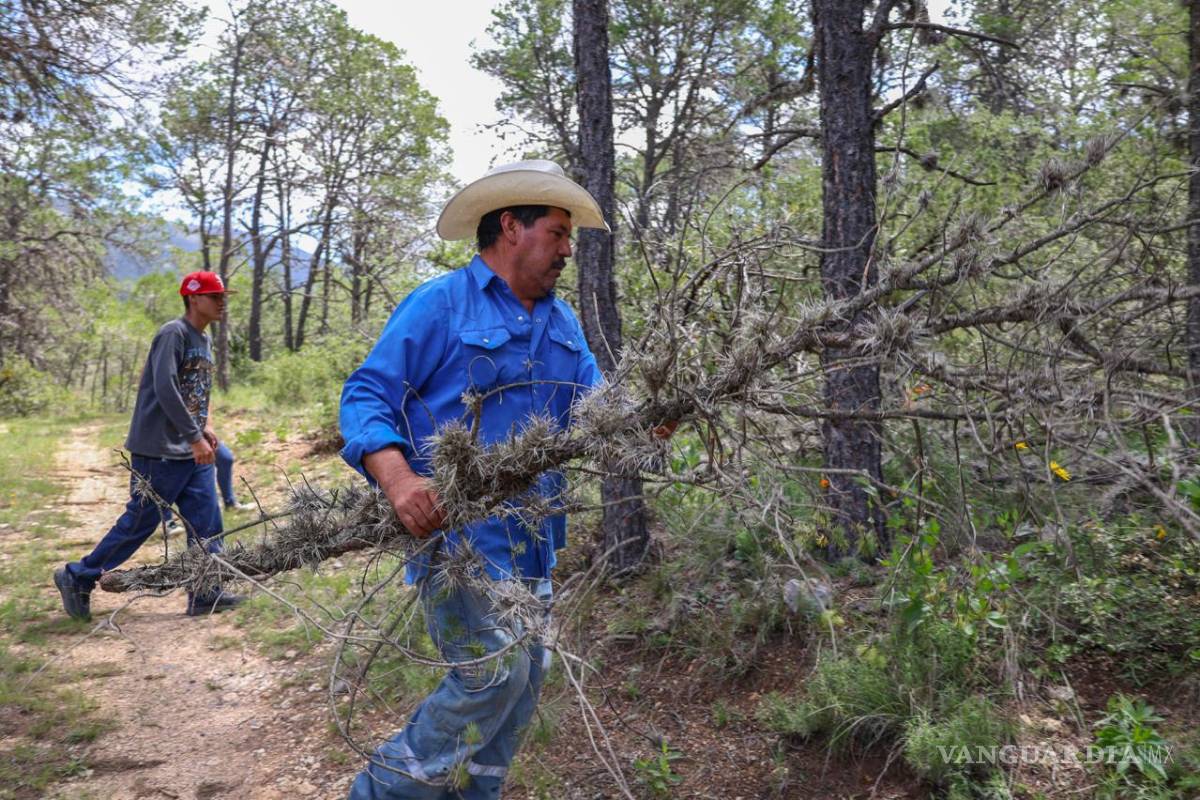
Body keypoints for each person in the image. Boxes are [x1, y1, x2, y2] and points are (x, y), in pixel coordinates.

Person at [339, 160, 609, 799]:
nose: (568, 250)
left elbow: (595, 404)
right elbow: (366, 394)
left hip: (534, 542)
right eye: (559, 233)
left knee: (521, 688)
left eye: (570, 237)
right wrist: (399, 478)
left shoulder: (561, 321)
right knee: (491, 676)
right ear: (511, 226)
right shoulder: (440, 304)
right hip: (459, 544)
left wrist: (645, 420)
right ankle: (378, 793)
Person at [53, 271, 245, 620]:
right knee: (139, 523)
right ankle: (77, 575)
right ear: (193, 298)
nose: (222, 302)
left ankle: (205, 593)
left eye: (223, 296)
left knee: (207, 522)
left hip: (193, 451)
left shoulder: (205, 340)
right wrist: (193, 436)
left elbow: (199, 393)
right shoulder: (174, 333)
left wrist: (207, 429)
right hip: (160, 452)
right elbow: (165, 388)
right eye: (215, 296)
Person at [164, 441, 254, 533]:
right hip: (167, 442)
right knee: (165, 476)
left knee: (225, 457)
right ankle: (168, 522)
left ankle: (230, 502)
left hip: (196, 435)